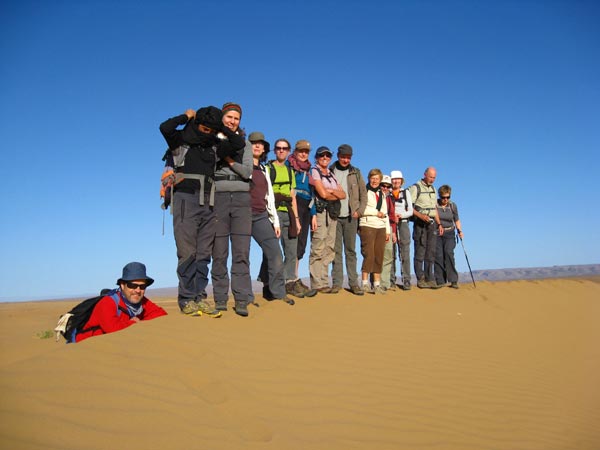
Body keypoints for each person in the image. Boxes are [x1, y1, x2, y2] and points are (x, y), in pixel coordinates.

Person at [159, 106, 243, 316]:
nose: (206, 132)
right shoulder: (180, 140)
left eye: (210, 129)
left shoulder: (215, 143)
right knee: (187, 252)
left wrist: (223, 127)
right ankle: (187, 299)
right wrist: (186, 116)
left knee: (204, 253)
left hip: (209, 202)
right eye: (203, 128)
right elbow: (165, 127)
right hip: (185, 200)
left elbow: (238, 143)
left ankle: (200, 298)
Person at [211, 102, 255, 316]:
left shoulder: (245, 144)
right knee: (219, 252)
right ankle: (220, 299)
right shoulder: (212, 140)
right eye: (229, 117)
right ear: (222, 118)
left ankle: (241, 300)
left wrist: (227, 160)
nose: (232, 121)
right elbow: (210, 165)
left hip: (241, 200)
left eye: (236, 118)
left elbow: (247, 172)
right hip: (217, 197)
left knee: (241, 253)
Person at [248, 132, 295, 305]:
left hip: (261, 216)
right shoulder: (241, 166)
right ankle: (245, 297)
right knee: (242, 257)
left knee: (275, 253)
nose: (257, 146)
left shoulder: (263, 169)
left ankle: (278, 294)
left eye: (260, 143)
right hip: (242, 216)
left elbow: (270, 198)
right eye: (253, 143)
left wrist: (274, 221)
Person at [262, 138, 309, 299]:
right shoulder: (268, 168)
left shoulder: (289, 171)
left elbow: (292, 196)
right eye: (278, 148)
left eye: (284, 148)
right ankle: (268, 284)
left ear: (289, 151)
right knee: (271, 250)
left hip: (288, 212)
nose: (281, 150)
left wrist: (296, 219)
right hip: (272, 213)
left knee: (291, 249)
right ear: (274, 150)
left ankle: (289, 282)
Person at [75, 262, 167, 343]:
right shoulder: (107, 302)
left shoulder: (142, 301)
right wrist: (133, 323)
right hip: (84, 346)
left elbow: (161, 315)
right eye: (132, 285)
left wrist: (141, 323)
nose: (138, 290)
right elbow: (112, 329)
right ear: (122, 285)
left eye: (142, 286)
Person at [329, 144, 367, 295]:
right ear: (338, 156)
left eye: (348, 157)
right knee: (336, 251)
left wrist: (360, 211)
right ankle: (337, 283)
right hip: (335, 217)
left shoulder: (356, 172)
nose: (345, 160)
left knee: (350, 251)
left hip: (352, 217)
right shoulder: (330, 171)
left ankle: (353, 283)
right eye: (343, 157)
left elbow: (363, 194)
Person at [309, 146, 346, 293]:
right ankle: (317, 283)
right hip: (320, 212)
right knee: (318, 246)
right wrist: (332, 193)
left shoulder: (330, 173)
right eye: (322, 156)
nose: (325, 158)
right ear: (317, 157)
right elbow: (322, 194)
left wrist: (330, 191)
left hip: (332, 213)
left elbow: (343, 194)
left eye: (328, 156)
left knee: (329, 247)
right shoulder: (314, 171)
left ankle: (324, 282)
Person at [288, 140, 318, 297]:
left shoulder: (309, 171)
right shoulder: (290, 166)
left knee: (301, 244)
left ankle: (295, 277)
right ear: (295, 151)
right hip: (293, 203)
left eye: (306, 151)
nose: (303, 154)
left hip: (306, 205)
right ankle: (289, 280)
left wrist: (313, 214)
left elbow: (312, 193)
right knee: (291, 241)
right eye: (301, 151)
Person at [409, 167, 444, 289]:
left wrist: (439, 224)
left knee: (431, 252)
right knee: (420, 250)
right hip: (420, 223)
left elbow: (435, 209)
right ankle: (421, 279)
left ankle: (430, 278)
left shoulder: (434, 189)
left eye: (434, 177)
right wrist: (421, 216)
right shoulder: (416, 188)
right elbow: (409, 207)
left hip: (432, 223)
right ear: (424, 174)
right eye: (430, 177)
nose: (432, 180)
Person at [359, 169, 390, 294]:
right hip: (367, 224)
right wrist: (376, 213)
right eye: (373, 178)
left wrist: (387, 230)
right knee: (369, 254)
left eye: (377, 178)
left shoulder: (382, 194)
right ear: (369, 178)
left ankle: (377, 284)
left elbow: (385, 213)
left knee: (379, 255)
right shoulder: (364, 191)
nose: (375, 180)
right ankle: (365, 283)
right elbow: (361, 209)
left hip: (381, 227)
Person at [435, 185, 463, 288]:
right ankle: (440, 280)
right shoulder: (435, 205)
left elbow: (456, 219)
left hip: (450, 232)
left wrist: (459, 230)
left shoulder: (452, 206)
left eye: (448, 197)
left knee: (448, 252)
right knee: (438, 256)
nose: (445, 199)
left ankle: (453, 280)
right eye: (443, 197)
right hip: (437, 233)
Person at [390, 170, 413, 290]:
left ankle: (406, 280)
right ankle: (391, 279)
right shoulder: (387, 192)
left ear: (401, 180)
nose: (396, 181)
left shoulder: (406, 193)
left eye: (398, 179)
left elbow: (410, 210)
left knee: (404, 251)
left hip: (403, 223)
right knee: (391, 252)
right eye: (394, 179)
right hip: (391, 224)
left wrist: (400, 216)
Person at [379, 175, 397, 291]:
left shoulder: (390, 199)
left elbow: (392, 216)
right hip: (376, 227)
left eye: (387, 186)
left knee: (388, 255)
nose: (385, 188)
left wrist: (394, 232)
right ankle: (376, 283)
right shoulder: (373, 196)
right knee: (376, 256)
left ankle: (385, 283)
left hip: (389, 229)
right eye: (383, 185)